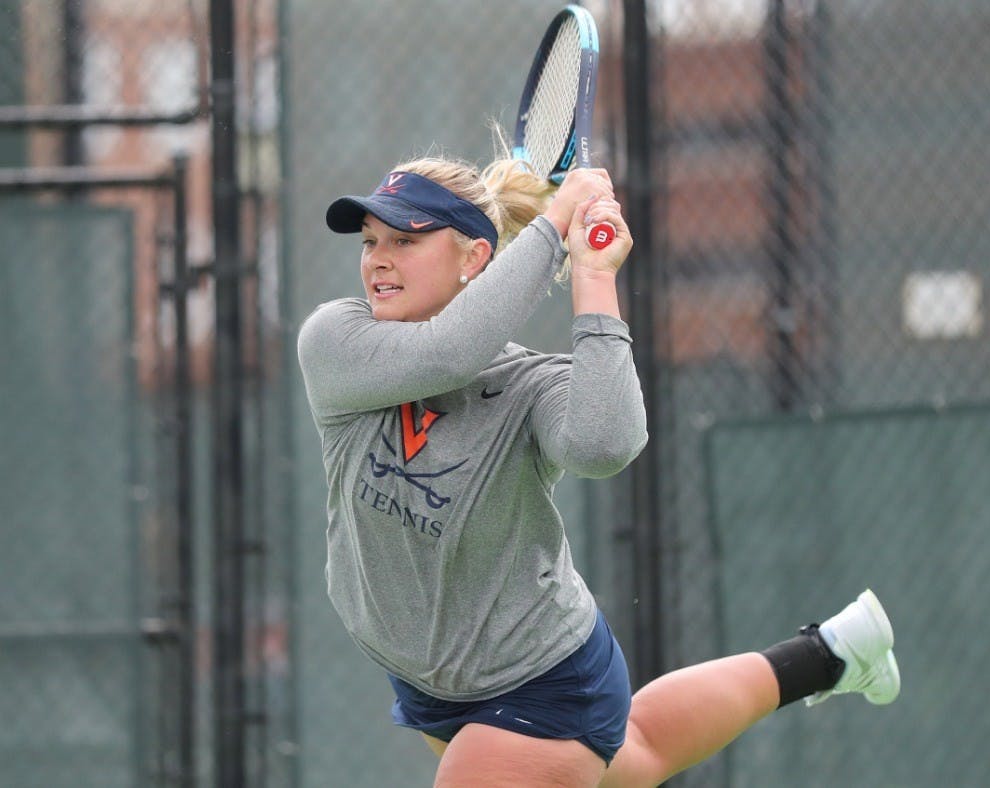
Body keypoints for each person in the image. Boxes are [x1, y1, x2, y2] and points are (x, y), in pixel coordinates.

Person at [297, 151, 901, 788]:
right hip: (431, 682)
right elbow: (447, 353)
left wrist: (592, 275)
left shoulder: (530, 386)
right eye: (370, 242)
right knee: (639, 751)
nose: (378, 259)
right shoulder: (335, 339)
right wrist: (556, 222)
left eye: (405, 239)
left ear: (474, 258)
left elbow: (604, 446)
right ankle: (830, 655)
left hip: (539, 681)